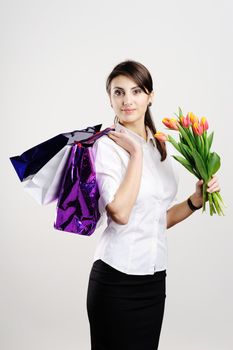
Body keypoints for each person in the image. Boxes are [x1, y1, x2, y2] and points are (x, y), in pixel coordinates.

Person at [86, 60, 220, 350]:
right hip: (116, 280)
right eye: (118, 92)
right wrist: (135, 154)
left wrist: (195, 200)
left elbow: (159, 219)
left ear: (150, 96)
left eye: (136, 91)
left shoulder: (160, 146)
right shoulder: (106, 147)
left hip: (154, 280)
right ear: (109, 99)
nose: (127, 100)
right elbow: (120, 213)